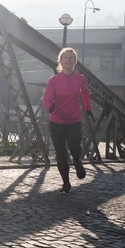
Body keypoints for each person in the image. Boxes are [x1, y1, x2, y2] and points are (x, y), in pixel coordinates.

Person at [43, 47, 94, 194]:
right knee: (61, 154)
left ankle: (77, 160)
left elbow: (84, 92)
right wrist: (49, 107)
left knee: (74, 146)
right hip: (56, 121)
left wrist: (88, 108)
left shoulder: (80, 78)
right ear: (60, 61)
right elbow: (47, 98)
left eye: (71, 57)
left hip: (73, 120)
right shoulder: (53, 80)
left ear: (75, 61)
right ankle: (66, 183)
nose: (68, 60)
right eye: (65, 57)